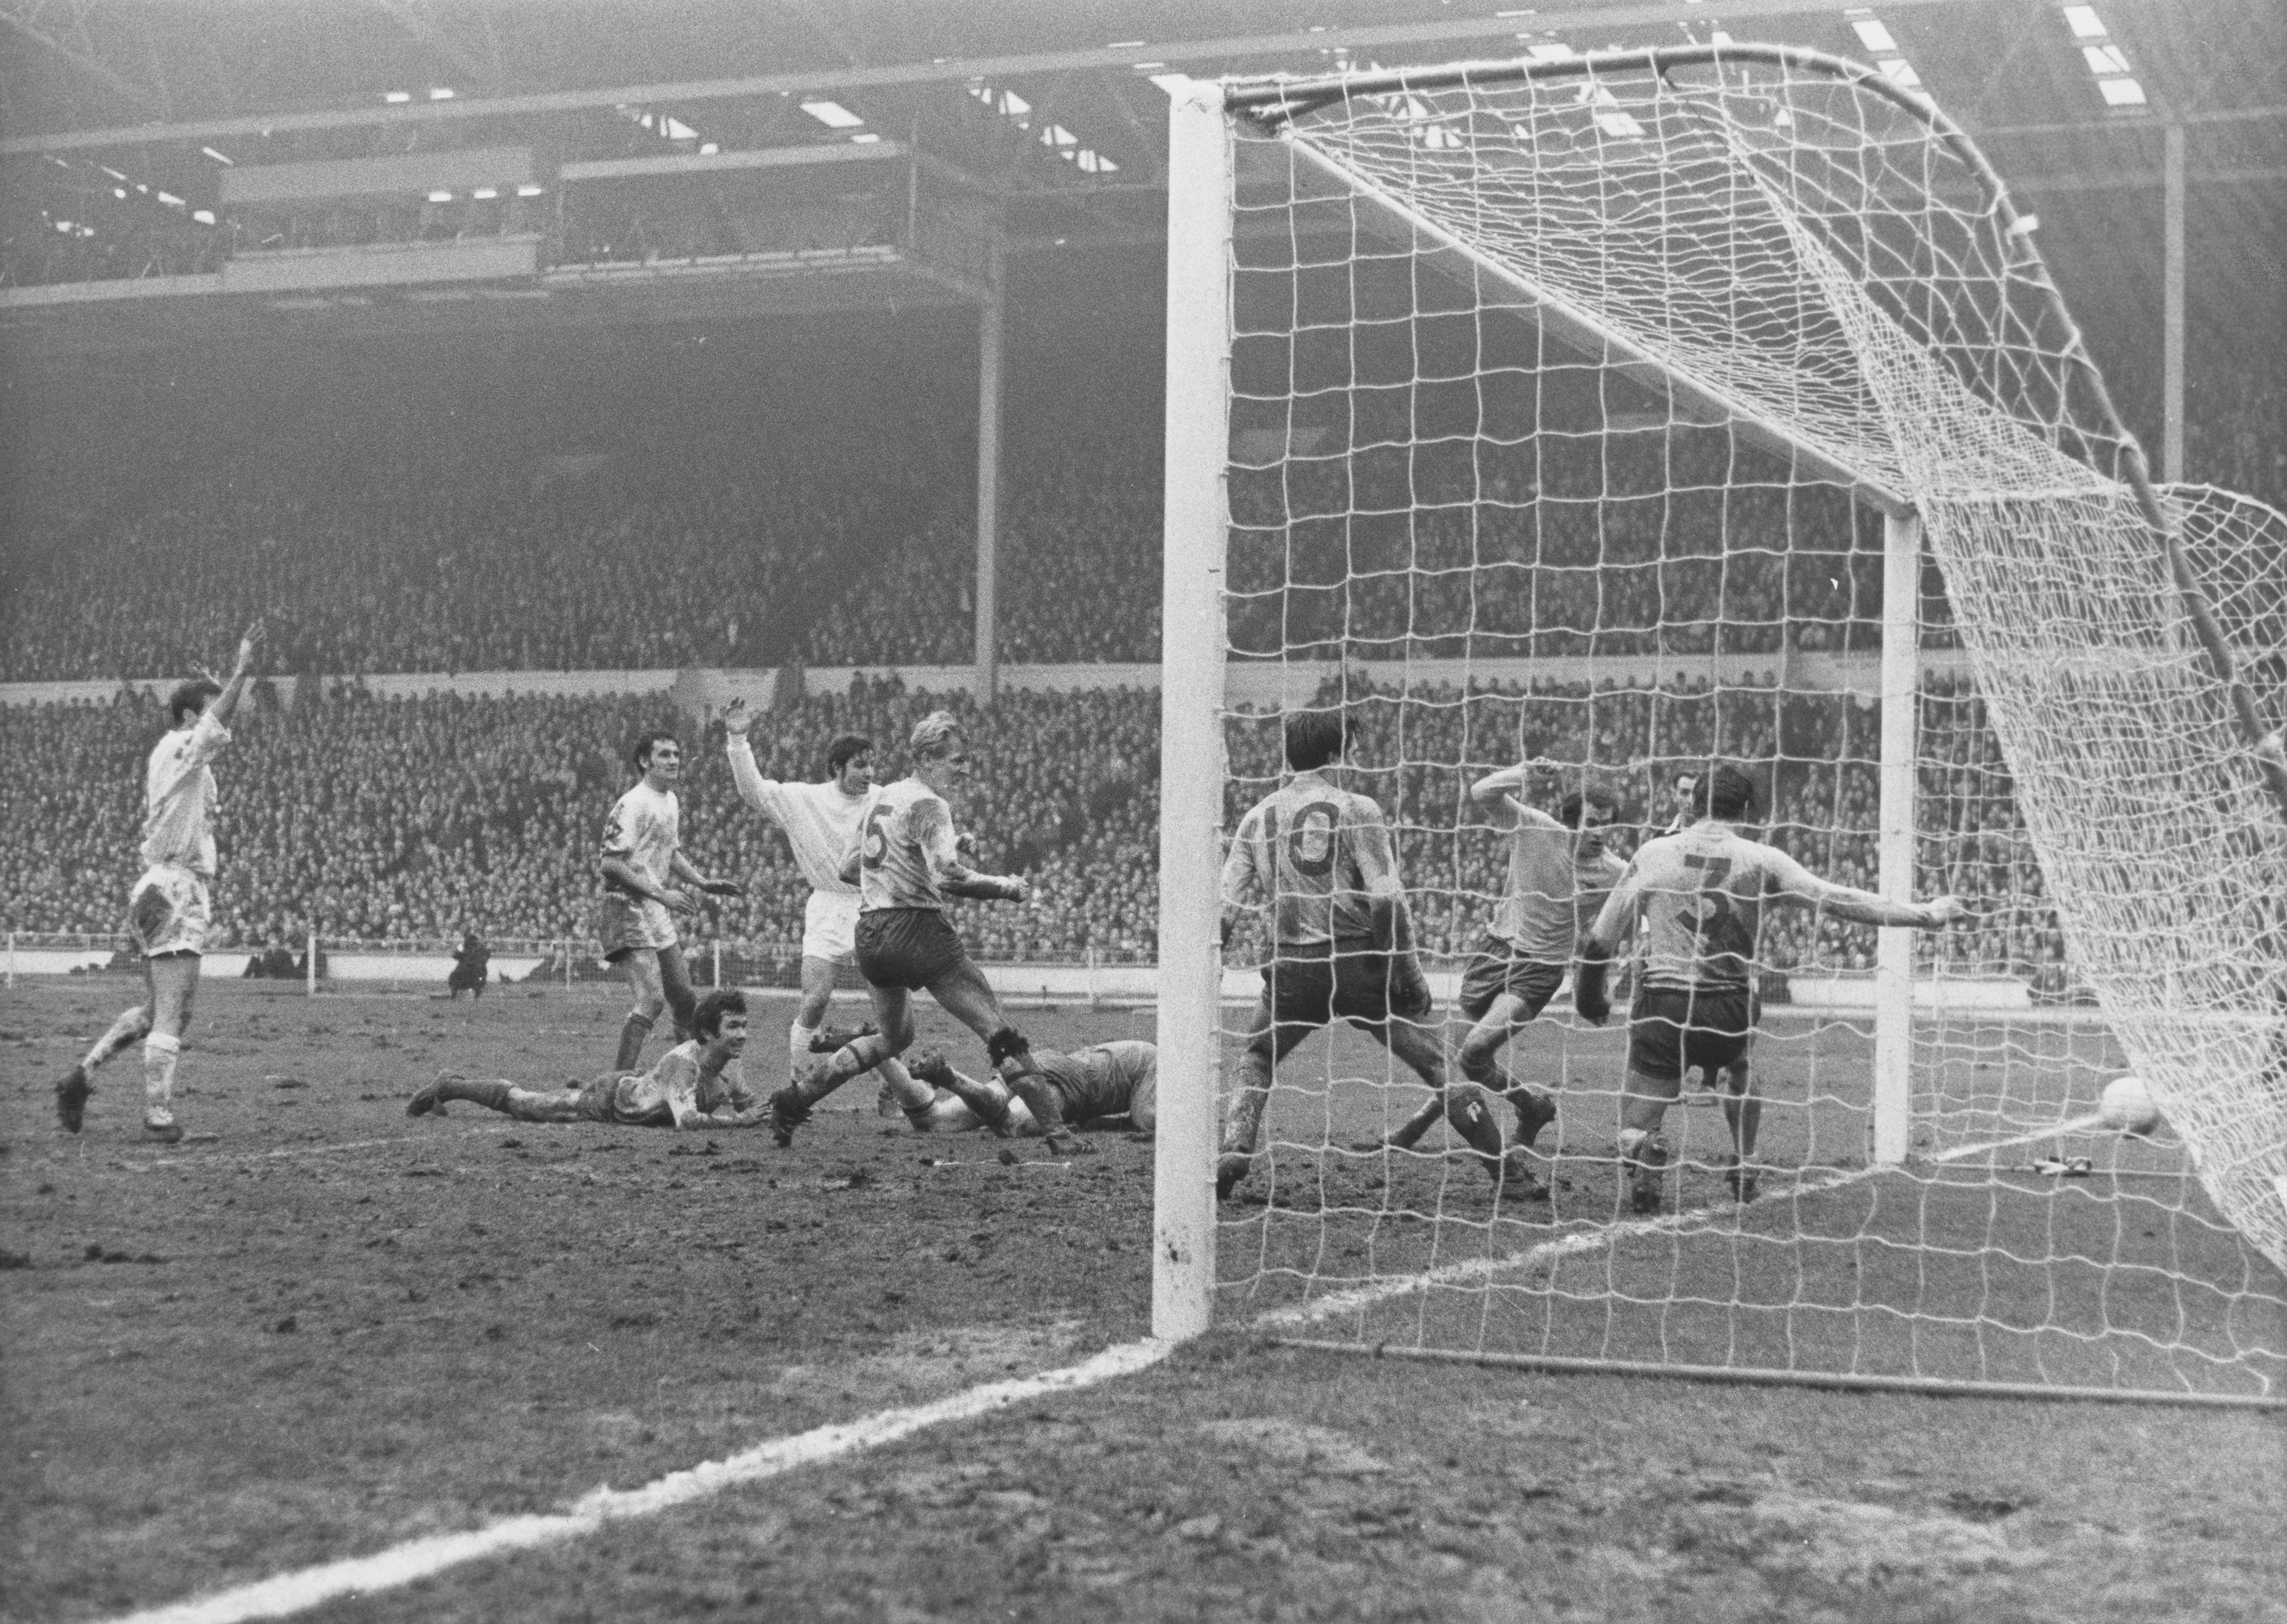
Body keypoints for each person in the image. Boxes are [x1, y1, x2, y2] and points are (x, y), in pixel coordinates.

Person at [1576, 763, 1966, 1211]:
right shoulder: (1763, 860)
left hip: (1664, 1004)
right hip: (1729, 1008)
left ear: (1694, 802)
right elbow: (1838, 899)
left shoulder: (1652, 854)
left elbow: (1599, 940)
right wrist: (1925, 913)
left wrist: (1590, 997)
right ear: (1745, 808)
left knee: (1630, 1125)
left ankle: (1644, 1144)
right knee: (1739, 1068)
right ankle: (1746, 1158)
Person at [1217, 709, 1507, 1202]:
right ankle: (1506, 1171)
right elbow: (1388, 898)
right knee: (1438, 1063)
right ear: (1337, 753)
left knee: (1257, 1054)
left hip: (1292, 968)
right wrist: (1406, 969)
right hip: (1358, 964)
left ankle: (1236, 1149)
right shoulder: (1357, 807)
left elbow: (1223, 910)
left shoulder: (1256, 817)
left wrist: (1216, 964)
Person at [767, 709, 1034, 1146]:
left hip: (871, 929)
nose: (966, 770)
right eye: (958, 760)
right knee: (994, 1024)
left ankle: (795, 1100)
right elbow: (948, 876)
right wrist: (1007, 888)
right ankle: (1048, 1124)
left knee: (895, 1037)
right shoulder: (931, 804)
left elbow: (850, 868)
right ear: (928, 760)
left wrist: (925, 859)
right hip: (915, 930)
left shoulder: (881, 797)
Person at [55, 622, 262, 1143]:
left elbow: (217, 725)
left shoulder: (181, 758)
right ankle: (158, 1113)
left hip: (159, 885)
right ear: (190, 717)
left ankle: (82, 1075)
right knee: (175, 1009)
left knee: (157, 1010)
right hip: (173, 887)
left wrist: (223, 686)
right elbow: (219, 720)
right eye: (205, 712)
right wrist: (241, 669)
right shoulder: (178, 746)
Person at [1363, 779, 1625, 1190]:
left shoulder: (1615, 872)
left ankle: (1521, 1110)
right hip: (1493, 952)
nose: (1599, 834)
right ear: (1572, 821)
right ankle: (1519, 1109)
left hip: (1538, 970)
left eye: (1607, 826)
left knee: (1473, 1052)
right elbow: (1482, 792)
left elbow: (1625, 923)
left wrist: (1605, 986)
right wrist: (1524, 771)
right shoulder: (1537, 828)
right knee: (1452, 1061)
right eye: (1592, 823)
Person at [720, 699, 932, 1118]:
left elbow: (921, 827)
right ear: (837, 768)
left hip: (874, 907)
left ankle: (896, 1089)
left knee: (887, 1012)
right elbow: (753, 791)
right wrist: (738, 739)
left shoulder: (884, 800)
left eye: (872, 764)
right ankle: (800, 1086)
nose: (869, 772)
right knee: (814, 1000)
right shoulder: (804, 799)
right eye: (859, 765)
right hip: (825, 906)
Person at [406, 988, 764, 1129]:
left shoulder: (732, 1062)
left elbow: (750, 1104)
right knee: (525, 1103)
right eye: (733, 1027)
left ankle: (452, 1084)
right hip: (607, 1101)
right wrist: (741, 1122)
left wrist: (776, 1111)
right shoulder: (684, 1064)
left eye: (744, 1026)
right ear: (708, 1033)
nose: (743, 1035)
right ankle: (449, 1085)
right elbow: (687, 1121)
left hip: (640, 1085)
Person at [595, 730, 738, 1074]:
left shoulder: (670, 800)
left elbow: (669, 851)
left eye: (676, 753)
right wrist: (661, 894)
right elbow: (610, 864)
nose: (674, 760)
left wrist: (702, 882)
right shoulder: (632, 802)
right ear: (645, 761)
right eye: (664, 755)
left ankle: (689, 1075)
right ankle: (617, 1082)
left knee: (685, 999)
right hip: (625, 904)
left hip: (653, 905)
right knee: (652, 999)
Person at [905, 1040, 1158, 1157]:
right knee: (1011, 1124)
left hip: (1045, 1061)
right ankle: (950, 1079)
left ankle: (878, 1052)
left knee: (936, 1120)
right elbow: (1145, 1117)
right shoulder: (1157, 1060)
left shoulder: (1142, 1052)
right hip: (1074, 1083)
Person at [447, 930, 490, 999]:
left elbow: (455, 956)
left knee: (453, 978)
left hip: (464, 972)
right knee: (480, 979)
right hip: (478, 973)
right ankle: (476, 997)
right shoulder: (482, 947)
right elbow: (487, 957)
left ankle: (454, 996)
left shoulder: (463, 946)